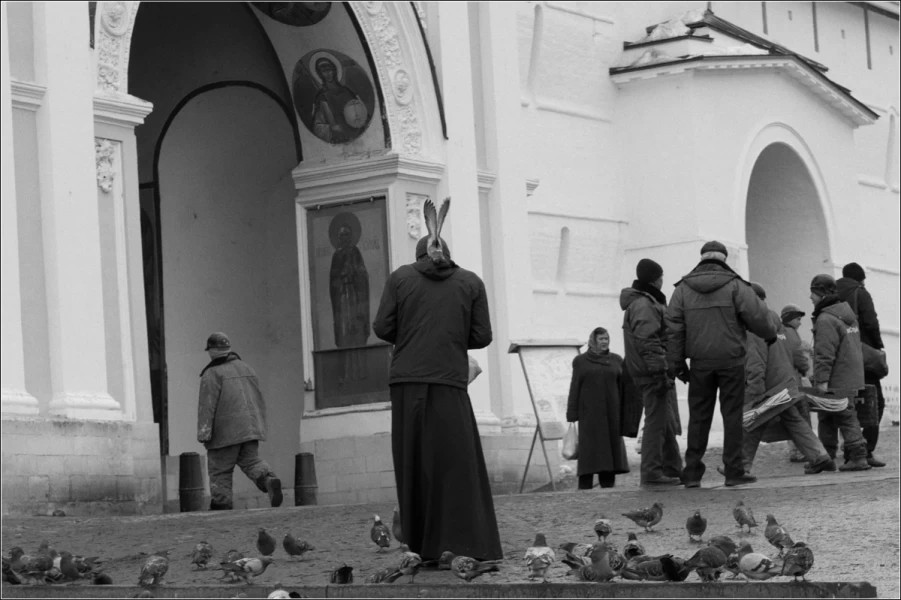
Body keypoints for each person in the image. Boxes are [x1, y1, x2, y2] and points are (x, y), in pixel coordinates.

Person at [372, 235, 502, 561]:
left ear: (419, 255)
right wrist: (449, 332)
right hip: (448, 380)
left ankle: (421, 547)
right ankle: (462, 543)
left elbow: (383, 327)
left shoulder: (400, 278)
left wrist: (414, 331)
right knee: (455, 465)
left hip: (407, 382)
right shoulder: (470, 282)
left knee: (413, 462)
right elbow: (482, 335)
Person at [665, 241, 776, 488]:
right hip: (731, 361)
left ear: (702, 258)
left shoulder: (682, 289)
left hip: (700, 363)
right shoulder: (735, 285)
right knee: (732, 417)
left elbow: (673, 329)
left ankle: (692, 473)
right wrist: (769, 334)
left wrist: (677, 364)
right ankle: (734, 470)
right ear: (723, 259)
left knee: (698, 418)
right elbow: (757, 315)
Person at [732, 283, 836, 476]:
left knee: (752, 422)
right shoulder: (772, 320)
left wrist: (754, 390)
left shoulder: (753, 324)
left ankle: (738, 466)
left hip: (770, 387)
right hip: (785, 382)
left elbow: (755, 360)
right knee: (793, 421)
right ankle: (819, 455)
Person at [197, 332, 283, 510]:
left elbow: (207, 406)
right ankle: (268, 480)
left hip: (225, 433)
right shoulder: (246, 368)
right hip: (250, 428)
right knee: (251, 461)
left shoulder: (212, 373)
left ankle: (221, 506)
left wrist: (204, 433)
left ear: (212, 350)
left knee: (220, 469)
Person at [620, 258, 683, 486]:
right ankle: (651, 472)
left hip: (651, 370)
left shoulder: (644, 302)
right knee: (656, 423)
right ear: (656, 279)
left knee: (664, 422)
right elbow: (648, 341)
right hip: (651, 372)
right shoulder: (645, 305)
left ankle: (673, 468)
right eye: (661, 276)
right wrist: (659, 372)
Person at [808, 274, 871, 471]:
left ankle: (858, 457)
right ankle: (825, 457)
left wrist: (821, 380)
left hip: (837, 378)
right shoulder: (847, 316)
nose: (810, 298)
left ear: (821, 293)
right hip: (850, 374)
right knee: (827, 415)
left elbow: (824, 353)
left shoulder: (826, 319)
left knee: (844, 415)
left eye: (812, 293)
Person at [565, 327, 631, 489]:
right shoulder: (580, 361)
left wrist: (626, 412)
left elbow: (623, 388)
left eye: (606, 339)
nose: (604, 342)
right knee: (589, 451)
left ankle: (607, 485)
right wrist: (572, 413)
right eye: (601, 339)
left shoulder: (616, 360)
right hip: (589, 414)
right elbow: (575, 386)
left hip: (612, 413)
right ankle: (585, 486)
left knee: (610, 450)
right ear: (593, 341)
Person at [836, 262, 887, 467]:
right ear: (860, 278)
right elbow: (871, 322)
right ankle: (866, 450)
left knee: (851, 405)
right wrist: (878, 346)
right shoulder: (860, 293)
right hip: (863, 356)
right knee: (875, 402)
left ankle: (851, 451)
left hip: (842, 357)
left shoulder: (834, 294)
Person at [781, 303, 813, 463]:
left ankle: (793, 450)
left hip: (781, 383)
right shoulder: (792, 334)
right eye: (798, 319)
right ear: (790, 319)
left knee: (790, 418)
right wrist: (805, 369)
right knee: (802, 418)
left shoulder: (778, 332)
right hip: (794, 382)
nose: (800, 323)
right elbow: (799, 356)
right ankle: (804, 450)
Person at [311, 56, 367, 144]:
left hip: (357, 129)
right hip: (339, 136)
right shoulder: (322, 96)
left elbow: (359, 108)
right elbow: (318, 125)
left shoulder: (346, 91)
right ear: (320, 74)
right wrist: (333, 128)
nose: (328, 74)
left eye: (329, 70)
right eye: (324, 71)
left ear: (334, 71)